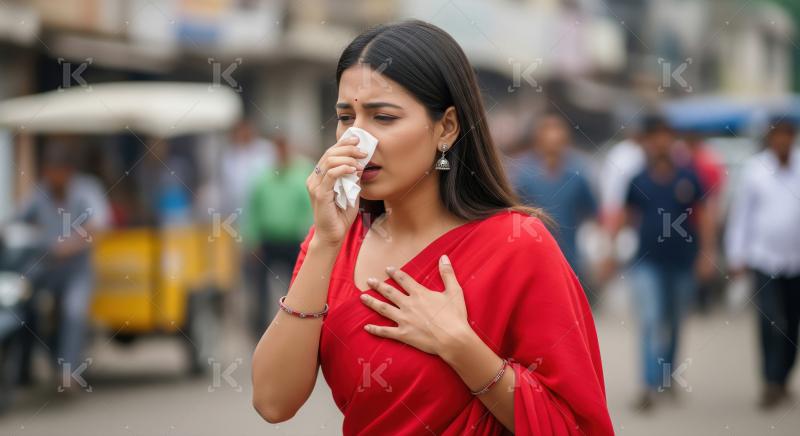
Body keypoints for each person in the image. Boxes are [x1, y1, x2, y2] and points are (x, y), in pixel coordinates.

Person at [252, 20, 614, 435]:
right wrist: (325, 243)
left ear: (447, 127)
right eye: (345, 117)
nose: (357, 140)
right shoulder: (333, 242)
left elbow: (574, 425)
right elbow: (272, 401)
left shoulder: (518, 244)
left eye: (383, 117)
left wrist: (460, 345)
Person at [607, 115, 714, 411]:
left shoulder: (688, 177)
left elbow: (704, 217)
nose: (661, 141)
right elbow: (626, 217)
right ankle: (648, 385)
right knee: (651, 319)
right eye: (655, 136)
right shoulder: (638, 179)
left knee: (675, 321)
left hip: (682, 261)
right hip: (647, 262)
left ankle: (667, 376)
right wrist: (612, 250)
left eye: (666, 135)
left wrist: (707, 254)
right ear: (647, 141)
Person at [16, 144, 110, 390]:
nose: (51, 177)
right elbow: (18, 219)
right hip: (45, 267)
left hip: (77, 269)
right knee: (22, 304)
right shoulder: (40, 193)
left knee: (73, 311)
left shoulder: (86, 190)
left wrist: (70, 246)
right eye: (47, 171)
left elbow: (98, 226)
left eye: (56, 171)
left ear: (68, 171)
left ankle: (67, 373)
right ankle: (23, 367)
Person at [725, 117, 800, 410]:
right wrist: (737, 254)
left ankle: (782, 378)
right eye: (777, 136)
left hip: (795, 261)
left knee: (792, 323)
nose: (782, 142)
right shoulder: (757, 170)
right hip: (763, 258)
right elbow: (741, 215)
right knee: (770, 321)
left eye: (787, 136)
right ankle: (769, 381)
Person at [510, 113, 598, 292]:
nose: (553, 139)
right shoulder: (522, 173)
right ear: (537, 139)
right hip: (530, 255)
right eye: (547, 132)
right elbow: (510, 211)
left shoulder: (577, 173)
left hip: (568, 256)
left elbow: (592, 212)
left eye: (558, 132)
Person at [242, 136, 314, 339]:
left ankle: (293, 327)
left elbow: (309, 207)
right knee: (261, 288)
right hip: (268, 241)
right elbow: (253, 209)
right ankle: (261, 329)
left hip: (293, 241)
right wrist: (252, 238)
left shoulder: (301, 175)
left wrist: (309, 236)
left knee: (295, 287)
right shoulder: (262, 177)